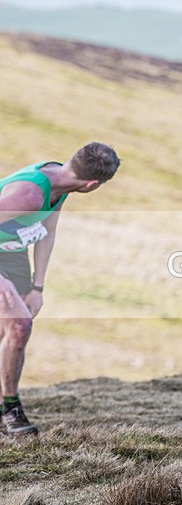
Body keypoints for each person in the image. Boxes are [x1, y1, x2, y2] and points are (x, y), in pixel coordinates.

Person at [0, 142, 120, 436]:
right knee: (20, 326)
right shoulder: (30, 194)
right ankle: (11, 411)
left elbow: (47, 231)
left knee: (9, 332)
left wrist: (38, 286)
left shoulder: (60, 184)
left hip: (12, 253)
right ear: (92, 184)